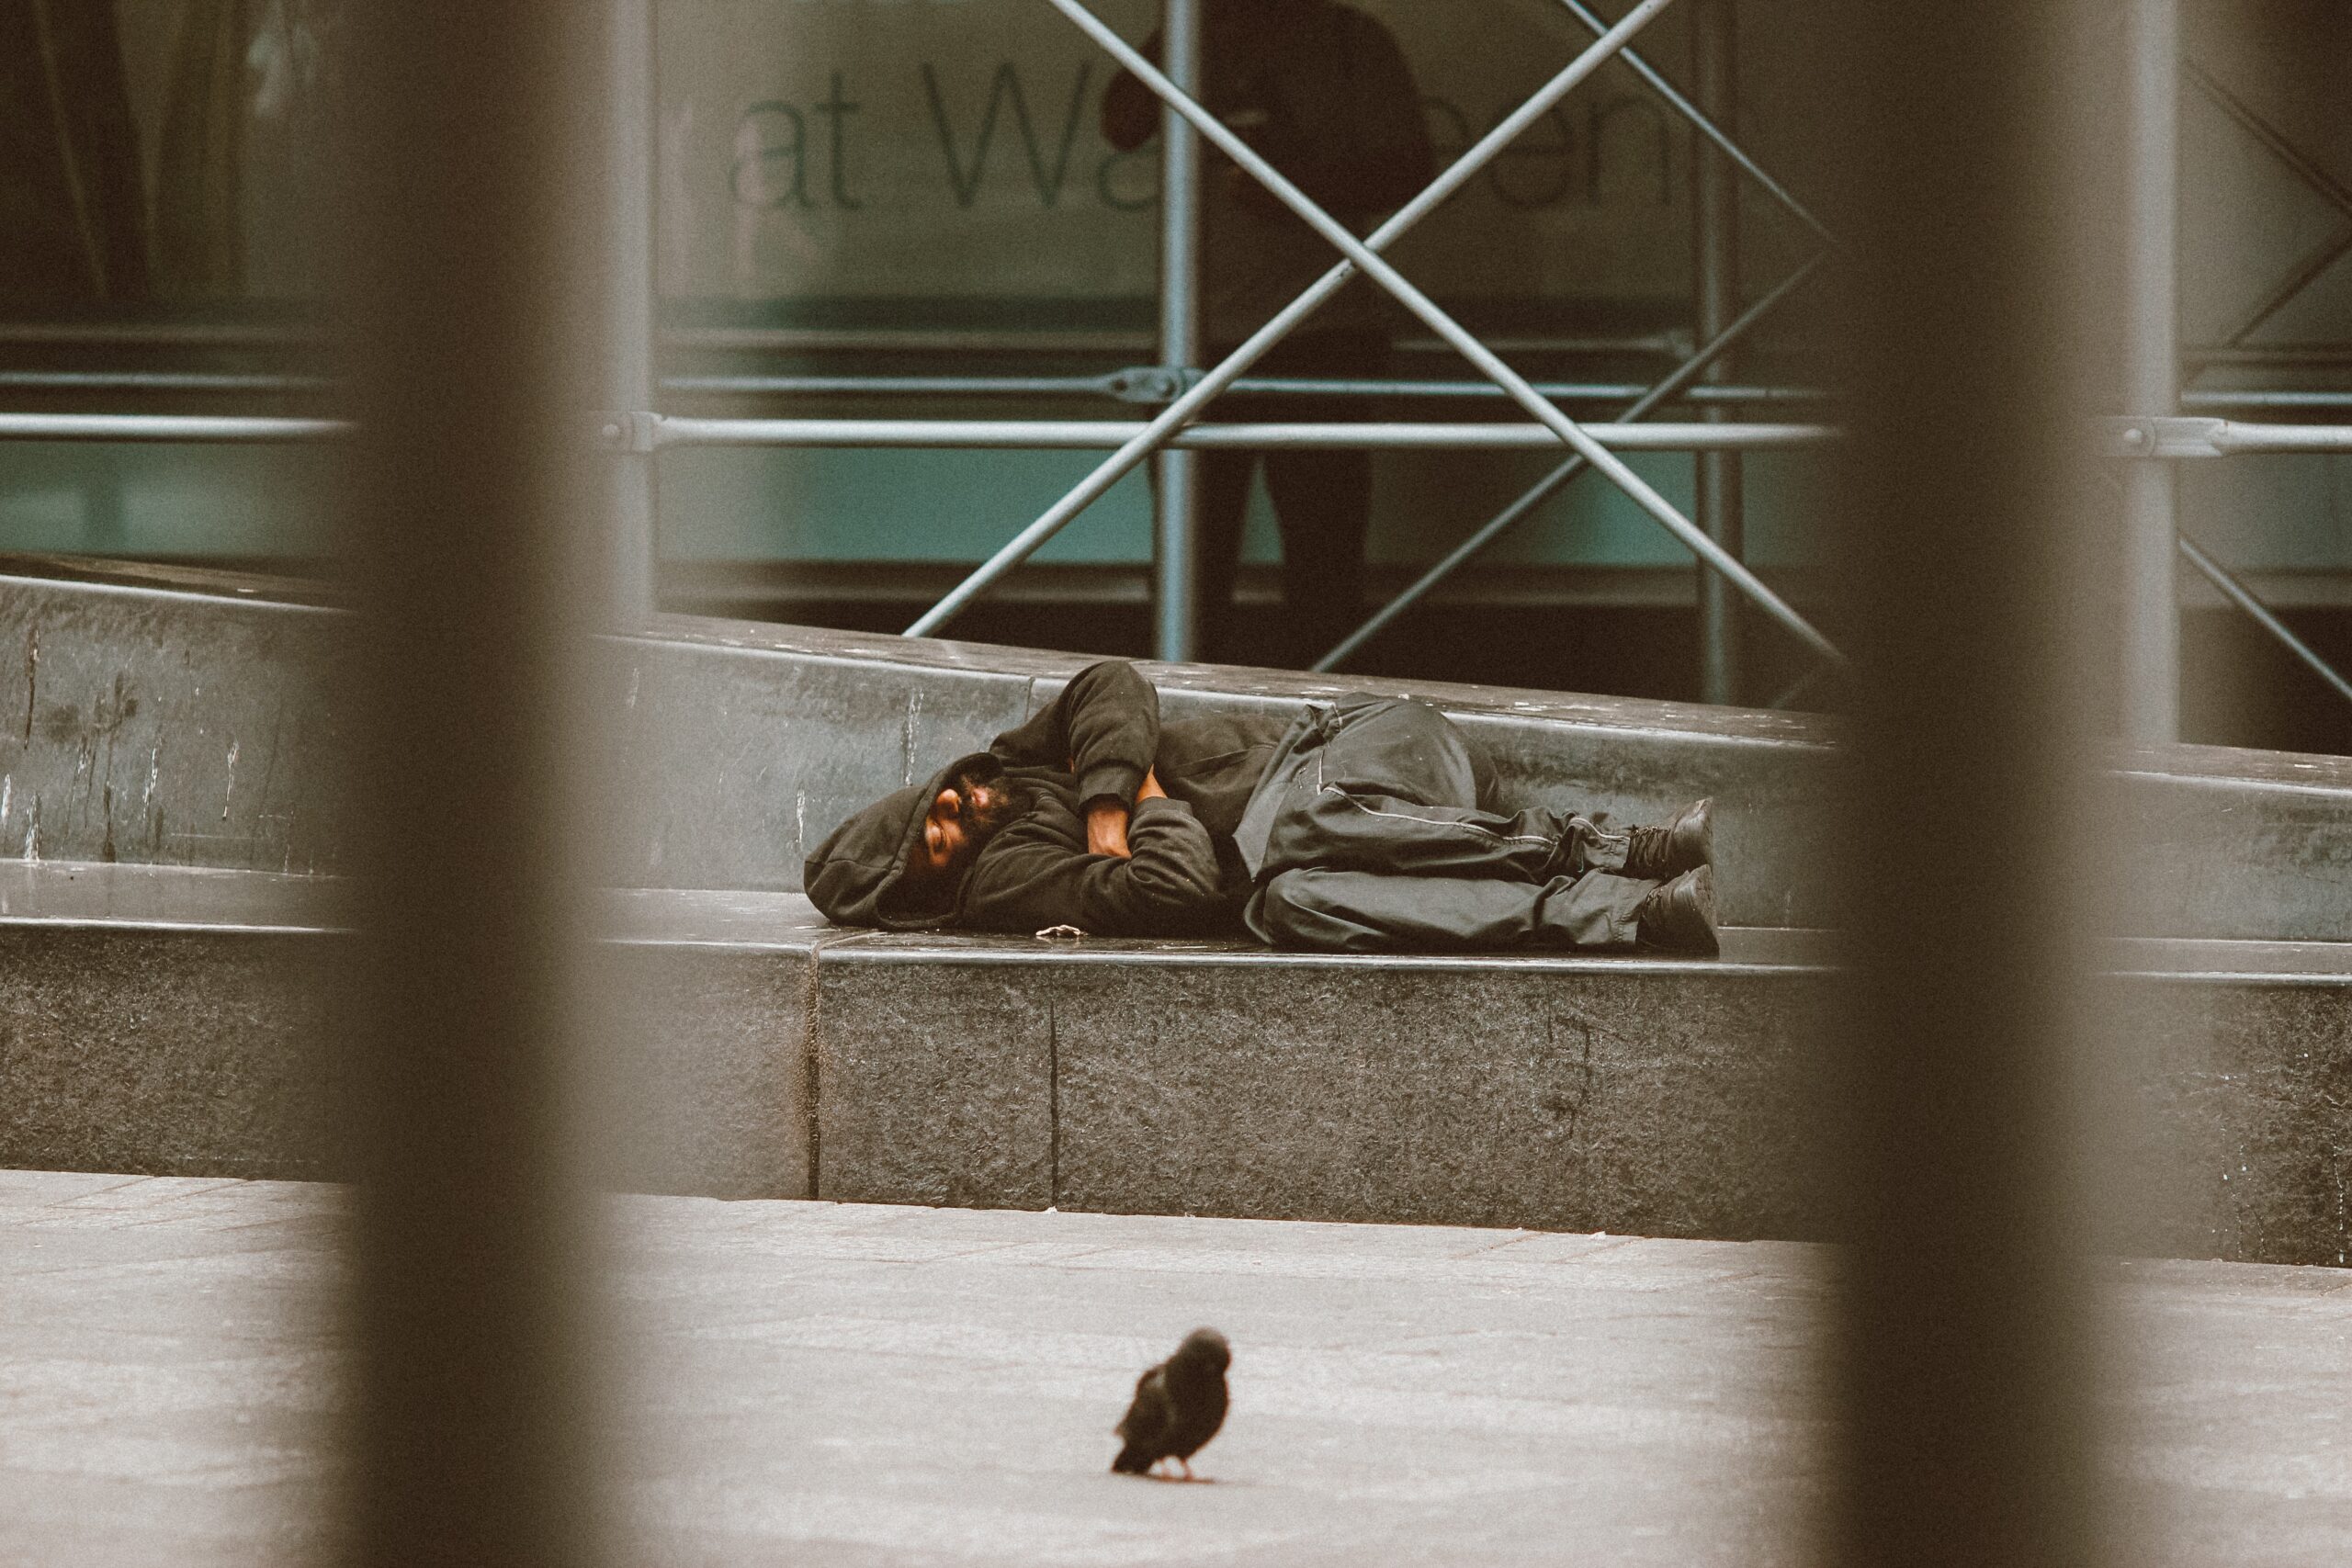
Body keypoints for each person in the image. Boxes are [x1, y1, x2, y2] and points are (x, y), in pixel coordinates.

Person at [804, 660, 1720, 954]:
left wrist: (1108, 807)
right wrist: (1148, 792)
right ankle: (1631, 915)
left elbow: (1111, 683)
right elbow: (1178, 881)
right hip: (1330, 847)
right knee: (1293, 905)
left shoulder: (1017, 760)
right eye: (940, 834)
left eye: (939, 798)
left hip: (1370, 743)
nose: (959, 804)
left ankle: (1619, 846)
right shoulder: (1009, 881)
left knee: (1299, 826)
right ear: (932, 881)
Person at [1102, 0, 1437, 667]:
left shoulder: (1350, 39)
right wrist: (1185, 31)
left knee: (1324, 558)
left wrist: (1298, 186)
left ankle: (1323, 735)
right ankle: (1179, 722)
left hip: (1322, 332)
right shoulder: (1190, 32)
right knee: (1190, 559)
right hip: (1196, 338)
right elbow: (1122, 124)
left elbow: (1410, 169)